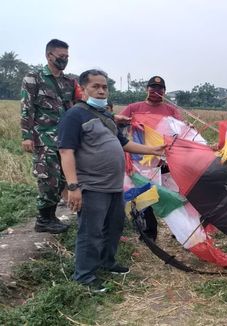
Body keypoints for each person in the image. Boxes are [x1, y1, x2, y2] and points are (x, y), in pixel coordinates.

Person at [58, 69, 165, 292]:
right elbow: (66, 152)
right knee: (91, 231)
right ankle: (85, 276)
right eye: (95, 86)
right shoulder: (74, 116)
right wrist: (73, 186)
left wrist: (153, 150)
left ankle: (107, 262)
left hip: (114, 186)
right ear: (83, 89)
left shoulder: (106, 116)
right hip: (92, 186)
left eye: (104, 87)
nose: (100, 90)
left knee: (114, 226)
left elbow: (124, 144)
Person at [20, 39, 82, 234]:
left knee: (63, 179)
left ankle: (50, 216)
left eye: (67, 57)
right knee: (48, 180)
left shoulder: (69, 82)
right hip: (43, 138)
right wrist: (27, 136)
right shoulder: (34, 78)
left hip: (65, 139)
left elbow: (76, 107)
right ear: (49, 56)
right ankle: (43, 219)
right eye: (61, 57)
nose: (64, 60)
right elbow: (26, 108)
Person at [119, 76, 182, 241]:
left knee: (173, 193)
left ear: (164, 92)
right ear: (147, 89)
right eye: (152, 88)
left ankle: (179, 230)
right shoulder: (134, 108)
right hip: (142, 161)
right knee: (144, 194)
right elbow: (118, 128)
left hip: (166, 160)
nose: (156, 91)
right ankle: (148, 232)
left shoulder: (171, 110)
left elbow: (180, 131)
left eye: (160, 89)